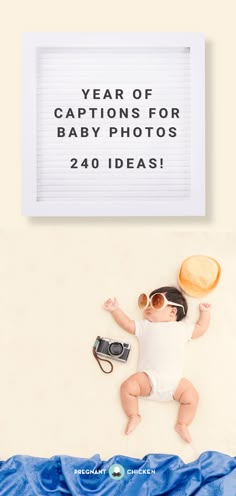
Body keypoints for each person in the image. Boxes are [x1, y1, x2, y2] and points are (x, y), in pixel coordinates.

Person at [103, 286, 211, 443]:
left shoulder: (182, 328)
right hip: (148, 378)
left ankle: (182, 423)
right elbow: (127, 323)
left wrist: (205, 313)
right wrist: (115, 310)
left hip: (175, 383)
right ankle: (134, 415)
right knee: (127, 387)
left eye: (156, 301)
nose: (148, 307)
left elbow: (201, 328)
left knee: (192, 397)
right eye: (147, 302)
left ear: (173, 312)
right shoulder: (145, 326)